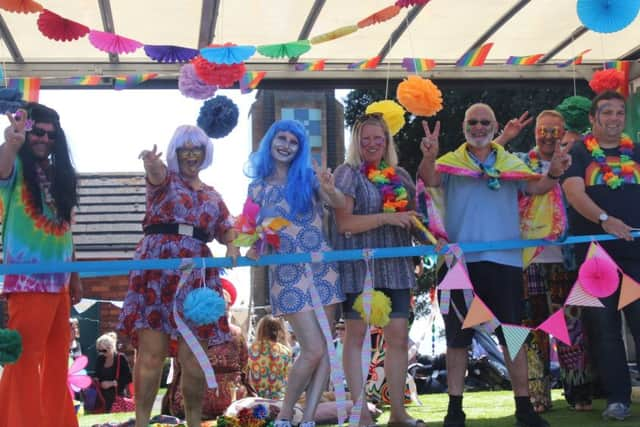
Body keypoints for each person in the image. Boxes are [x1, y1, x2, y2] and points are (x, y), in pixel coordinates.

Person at [418, 103, 571, 427]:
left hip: (505, 264)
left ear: (495, 124)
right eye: (472, 121)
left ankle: (524, 409)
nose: (478, 127)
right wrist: (429, 153)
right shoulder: (451, 163)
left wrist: (555, 170)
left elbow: (538, 187)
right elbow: (428, 178)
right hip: (458, 265)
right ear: (463, 125)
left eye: (484, 122)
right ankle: (455, 410)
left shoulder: (509, 163)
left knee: (512, 337)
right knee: (457, 340)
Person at [117, 124, 239, 427]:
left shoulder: (213, 195)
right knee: (151, 352)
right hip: (157, 268)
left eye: (196, 149)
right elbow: (155, 173)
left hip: (197, 276)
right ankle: (142, 422)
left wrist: (233, 244)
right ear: (176, 153)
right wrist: (152, 162)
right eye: (185, 149)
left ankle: (194, 422)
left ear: (204, 153)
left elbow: (227, 227)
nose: (191, 154)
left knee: (194, 355)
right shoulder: (165, 181)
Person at [244, 119, 345, 427]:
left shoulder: (309, 179)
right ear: (270, 141)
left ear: (299, 149)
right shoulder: (257, 187)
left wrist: (328, 188)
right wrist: (246, 247)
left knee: (326, 347)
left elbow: (339, 205)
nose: (286, 145)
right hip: (287, 273)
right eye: (281, 138)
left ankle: (310, 418)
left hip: (323, 268)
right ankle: (286, 416)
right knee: (313, 348)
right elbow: (247, 229)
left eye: (293, 141)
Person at [332, 112, 424, 427]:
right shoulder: (347, 174)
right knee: (356, 336)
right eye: (365, 138)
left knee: (398, 338)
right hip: (359, 269)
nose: (372, 144)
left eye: (378, 138)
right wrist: (385, 218)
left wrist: (433, 238)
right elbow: (344, 223)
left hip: (397, 269)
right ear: (356, 142)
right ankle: (360, 414)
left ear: (387, 142)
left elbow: (414, 220)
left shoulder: (400, 176)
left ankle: (398, 413)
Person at [0, 102, 82, 427]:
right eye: (38, 132)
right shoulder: (15, 166)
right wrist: (11, 143)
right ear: (27, 130)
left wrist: (75, 276)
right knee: (23, 362)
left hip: (60, 284)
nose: (43, 139)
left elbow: (66, 232)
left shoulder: (60, 175)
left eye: (50, 134)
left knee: (57, 363)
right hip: (27, 282)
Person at [562, 90, 640, 421]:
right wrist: (607, 221)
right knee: (605, 329)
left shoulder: (635, 151)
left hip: (636, 253)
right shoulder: (578, 152)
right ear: (593, 119)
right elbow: (573, 193)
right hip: (595, 255)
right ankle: (618, 398)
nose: (614, 118)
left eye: (619, 113)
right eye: (606, 112)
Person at [165, 278, 254, 419]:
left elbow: (178, 367)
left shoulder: (189, 332)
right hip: (231, 400)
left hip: (193, 399)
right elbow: (244, 366)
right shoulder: (237, 333)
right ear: (227, 308)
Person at [247, 314, 293, 400]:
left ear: (261, 329)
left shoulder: (251, 349)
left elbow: (246, 375)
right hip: (278, 399)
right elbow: (289, 378)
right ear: (279, 330)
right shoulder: (286, 351)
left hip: (255, 398)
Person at [94, 332, 133, 412]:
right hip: (102, 398)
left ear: (111, 347)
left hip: (117, 397)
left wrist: (112, 383)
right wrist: (99, 382)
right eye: (99, 350)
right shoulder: (100, 359)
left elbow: (128, 378)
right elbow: (96, 374)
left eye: (104, 350)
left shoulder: (120, 358)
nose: (102, 353)